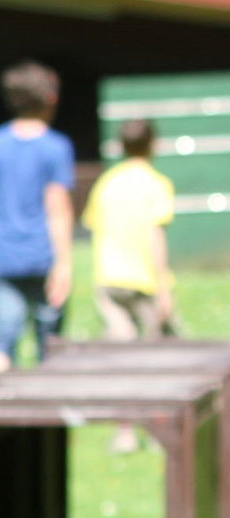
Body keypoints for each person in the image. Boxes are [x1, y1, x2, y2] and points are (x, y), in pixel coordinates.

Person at [0, 61, 75, 378]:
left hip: (2, 256)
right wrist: (63, 263)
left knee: (0, 342)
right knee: (51, 345)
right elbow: (59, 208)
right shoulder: (56, 147)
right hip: (43, 257)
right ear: (51, 98)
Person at [81, 118, 175, 448]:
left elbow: (93, 225)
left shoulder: (107, 182)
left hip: (108, 278)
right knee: (153, 358)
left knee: (121, 358)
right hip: (143, 280)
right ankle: (159, 428)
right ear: (153, 144)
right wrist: (165, 287)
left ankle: (124, 433)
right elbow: (155, 236)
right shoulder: (156, 183)